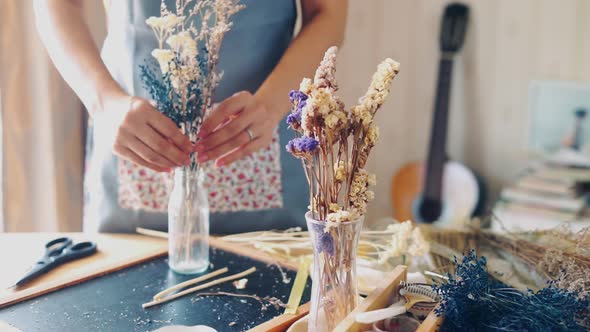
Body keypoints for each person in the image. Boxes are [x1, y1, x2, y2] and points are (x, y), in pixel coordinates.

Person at [33, 0, 347, 233]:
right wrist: (104, 102)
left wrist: (270, 105)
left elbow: (328, 14)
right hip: (131, 137)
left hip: (267, 133)